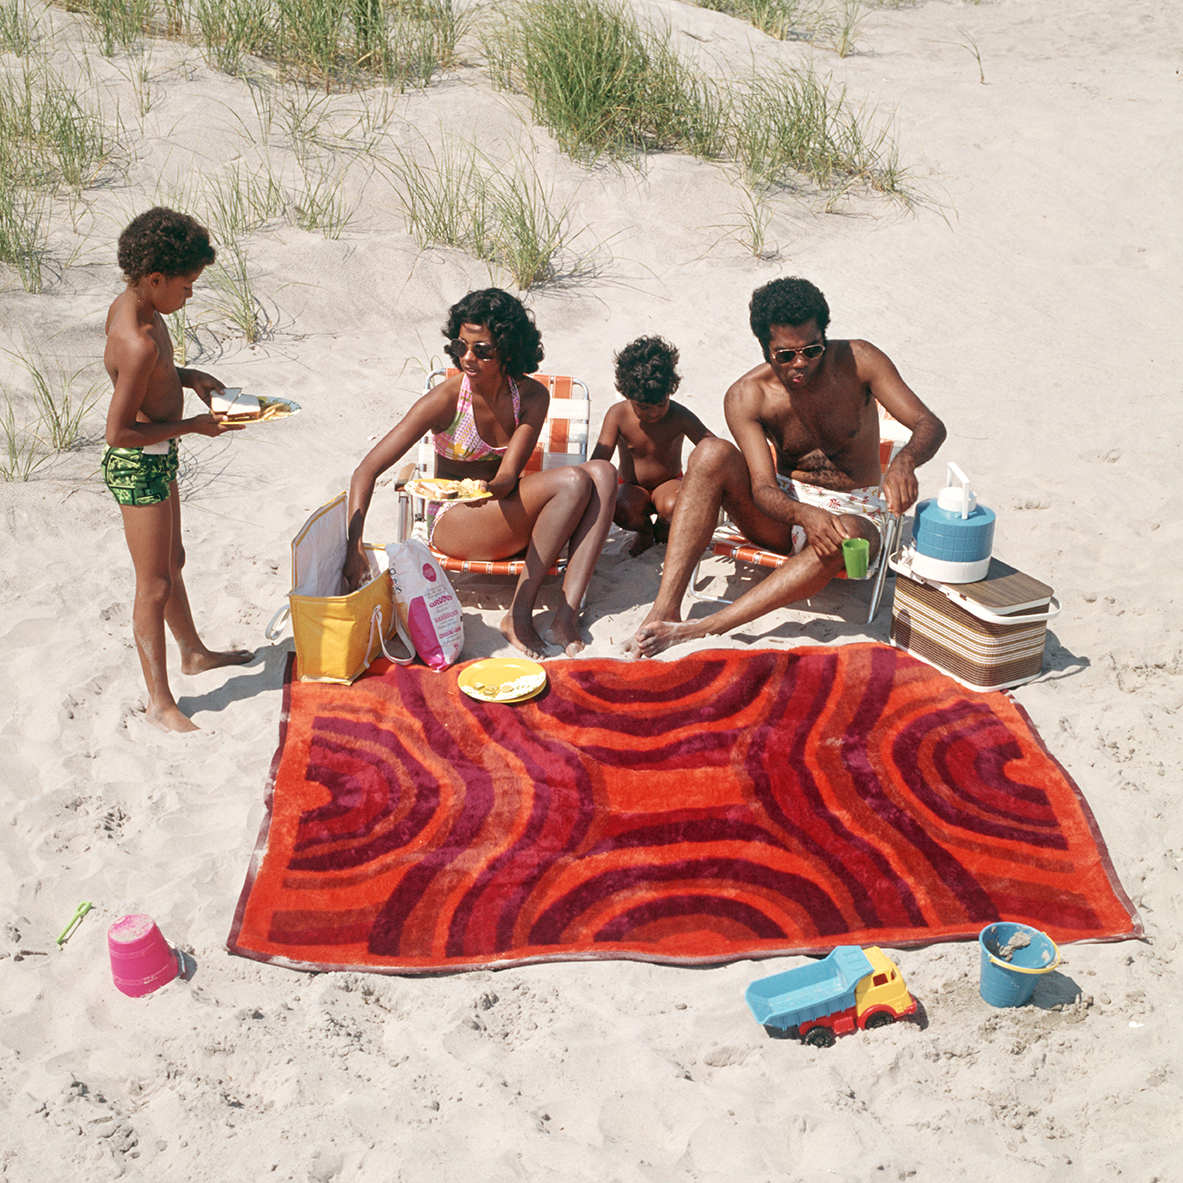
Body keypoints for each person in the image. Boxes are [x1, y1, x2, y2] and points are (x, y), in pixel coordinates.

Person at [627, 276, 946, 657]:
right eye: (785, 355)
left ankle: (707, 626)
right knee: (710, 452)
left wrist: (905, 462)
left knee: (842, 534)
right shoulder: (748, 396)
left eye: (812, 350)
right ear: (764, 347)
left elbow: (930, 423)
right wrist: (803, 514)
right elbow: (762, 487)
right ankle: (664, 608)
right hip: (787, 506)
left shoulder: (860, 360)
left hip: (857, 507)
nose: (801, 364)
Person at [344, 288, 616, 659]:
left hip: (499, 504)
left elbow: (507, 479)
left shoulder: (531, 397)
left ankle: (564, 617)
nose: (468, 359)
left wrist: (488, 487)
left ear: (507, 349)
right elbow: (367, 470)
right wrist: (354, 545)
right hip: (455, 522)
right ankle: (518, 617)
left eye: (482, 350)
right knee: (574, 480)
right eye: (460, 347)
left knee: (602, 472)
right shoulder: (447, 399)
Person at [102, 207, 252, 733]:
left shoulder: (142, 308)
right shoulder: (137, 339)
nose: (190, 295)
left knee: (175, 560)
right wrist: (192, 427)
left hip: (158, 454)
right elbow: (117, 433)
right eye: (187, 286)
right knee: (155, 584)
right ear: (156, 278)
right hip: (138, 463)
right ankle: (161, 704)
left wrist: (190, 377)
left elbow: (157, 377)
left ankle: (192, 653)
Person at [591, 335, 714, 556]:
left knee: (674, 506)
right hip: (630, 486)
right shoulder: (618, 415)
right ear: (628, 395)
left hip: (669, 483)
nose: (655, 413)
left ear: (670, 393)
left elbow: (712, 445)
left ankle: (662, 529)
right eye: (644, 407)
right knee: (621, 507)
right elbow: (599, 460)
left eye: (661, 403)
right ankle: (645, 530)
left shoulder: (679, 416)